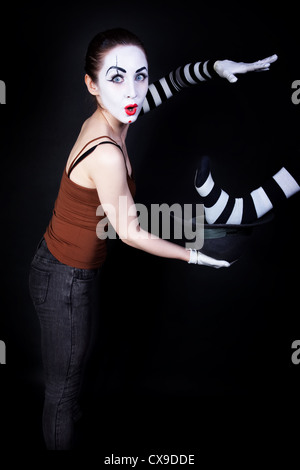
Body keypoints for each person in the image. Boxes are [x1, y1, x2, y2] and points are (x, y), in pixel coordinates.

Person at [28, 27, 278, 450]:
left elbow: (172, 83)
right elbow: (129, 232)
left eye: (140, 76)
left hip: (67, 271)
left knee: (70, 389)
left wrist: (216, 68)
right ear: (91, 85)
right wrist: (197, 257)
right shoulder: (106, 151)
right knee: (63, 393)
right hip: (63, 281)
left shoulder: (118, 110)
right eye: (117, 77)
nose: (134, 90)